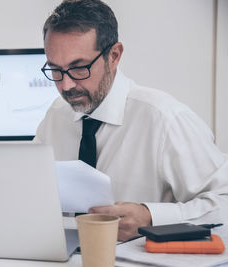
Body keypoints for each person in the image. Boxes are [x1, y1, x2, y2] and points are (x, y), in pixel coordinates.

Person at [33, 0, 228, 241]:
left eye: (79, 68)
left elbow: (224, 201)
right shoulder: (56, 115)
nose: (66, 85)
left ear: (114, 55)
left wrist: (151, 218)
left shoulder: (164, 119)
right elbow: (32, 185)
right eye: (55, 70)